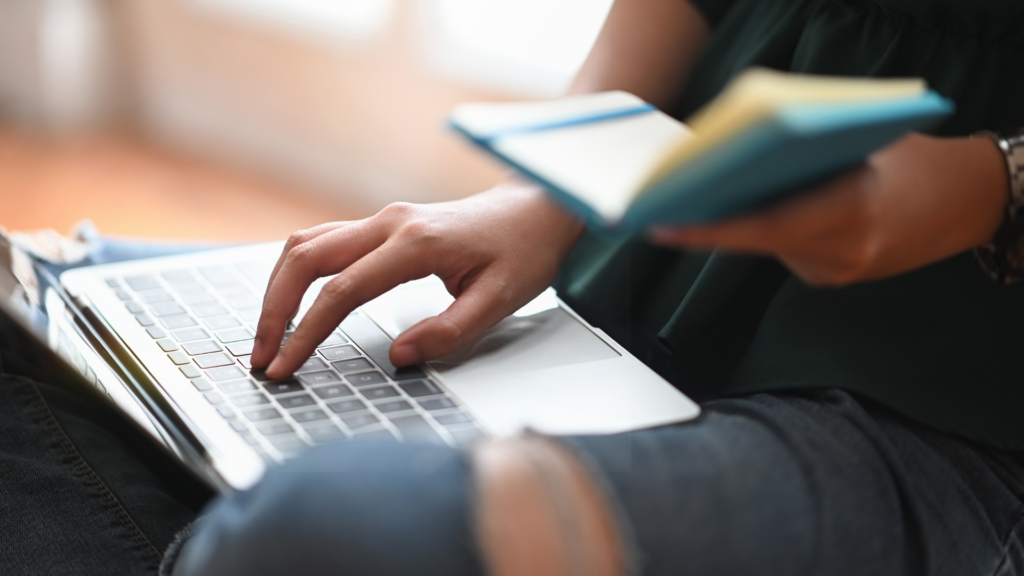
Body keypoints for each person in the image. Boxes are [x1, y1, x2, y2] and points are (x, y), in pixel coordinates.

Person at [4, 0, 1024, 574]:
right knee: (24, 315)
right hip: (617, 284)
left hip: (945, 408)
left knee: (331, 532)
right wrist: (541, 196)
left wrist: (989, 186)